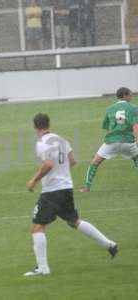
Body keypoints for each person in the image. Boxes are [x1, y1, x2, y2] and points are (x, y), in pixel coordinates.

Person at [24, 113, 117, 276]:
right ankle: (110, 244)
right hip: (66, 187)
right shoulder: (62, 140)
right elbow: (72, 161)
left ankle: (43, 268)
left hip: (52, 191)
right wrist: (62, 174)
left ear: (35, 127)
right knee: (74, 221)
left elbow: (48, 164)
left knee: (37, 227)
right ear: (48, 124)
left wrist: (34, 180)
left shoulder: (41, 143)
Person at [81, 87, 138, 192]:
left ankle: (87, 187)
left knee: (95, 162)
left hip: (111, 141)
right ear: (125, 96)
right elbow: (135, 125)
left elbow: (107, 127)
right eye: (130, 94)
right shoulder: (133, 108)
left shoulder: (109, 109)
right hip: (128, 141)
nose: (132, 96)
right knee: (136, 159)